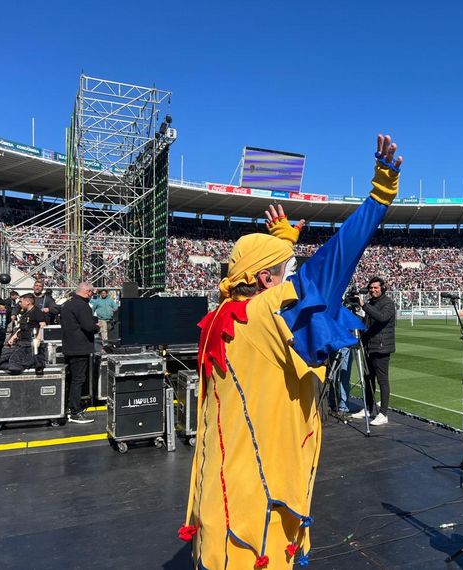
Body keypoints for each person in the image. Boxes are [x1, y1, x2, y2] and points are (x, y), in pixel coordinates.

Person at [180, 134, 403, 570]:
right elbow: (340, 255)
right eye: (286, 270)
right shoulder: (269, 313)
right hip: (259, 507)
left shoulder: (219, 318)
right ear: (266, 280)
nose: (293, 276)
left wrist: (282, 243)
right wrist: (381, 192)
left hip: (218, 495)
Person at [352, 277, 396, 426]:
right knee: (368, 379)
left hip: (382, 347)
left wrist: (364, 305)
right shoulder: (371, 304)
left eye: (376, 288)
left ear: (382, 288)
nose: (372, 290)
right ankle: (369, 409)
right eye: (371, 288)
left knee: (382, 380)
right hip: (369, 346)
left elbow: (381, 318)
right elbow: (367, 323)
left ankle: (383, 413)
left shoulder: (388, 304)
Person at [60, 282, 98, 424]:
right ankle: (75, 411)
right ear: (87, 292)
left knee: (71, 379)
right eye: (91, 293)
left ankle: (69, 407)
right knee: (78, 379)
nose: (92, 296)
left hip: (69, 347)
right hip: (80, 348)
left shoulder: (67, 304)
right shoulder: (82, 306)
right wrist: (97, 326)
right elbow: (88, 326)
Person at [0, 293, 47, 375]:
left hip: (31, 344)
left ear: (28, 302)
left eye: (21, 301)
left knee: (16, 363)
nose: (19, 303)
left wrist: (38, 340)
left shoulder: (36, 311)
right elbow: (22, 328)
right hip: (22, 343)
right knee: (10, 358)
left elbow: (42, 325)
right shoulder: (25, 313)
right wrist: (13, 337)